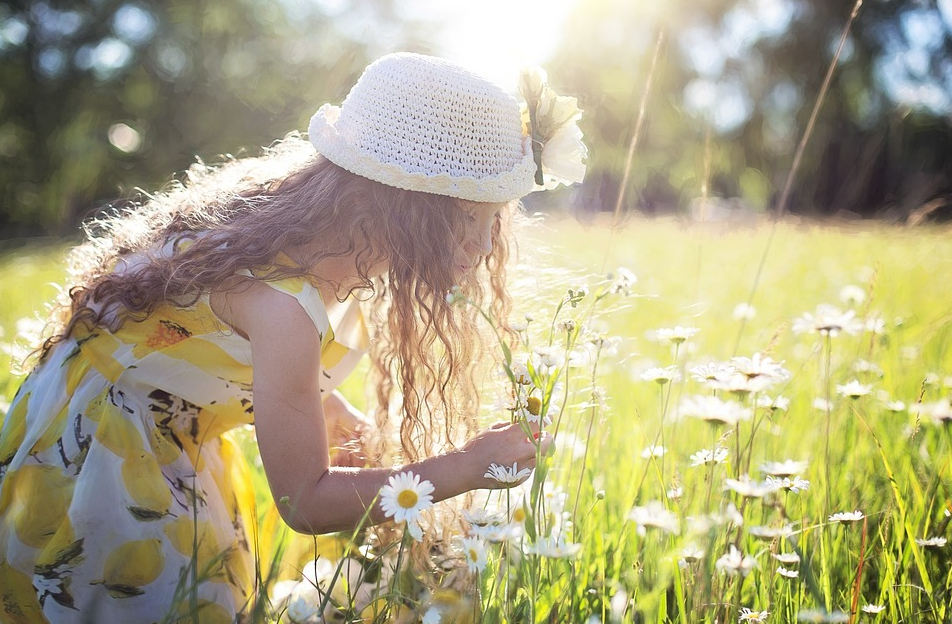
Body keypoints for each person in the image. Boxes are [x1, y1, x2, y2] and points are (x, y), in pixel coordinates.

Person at [0, 52, 584, 623]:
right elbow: (304, 501)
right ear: (403, 208)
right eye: (471, 218)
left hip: (160, 422)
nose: (486, 246)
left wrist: (325, 405)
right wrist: (465, 467)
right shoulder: (283, 305)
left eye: (494, 219)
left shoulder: (311, 237)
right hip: (101, 448)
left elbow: (193, 342)